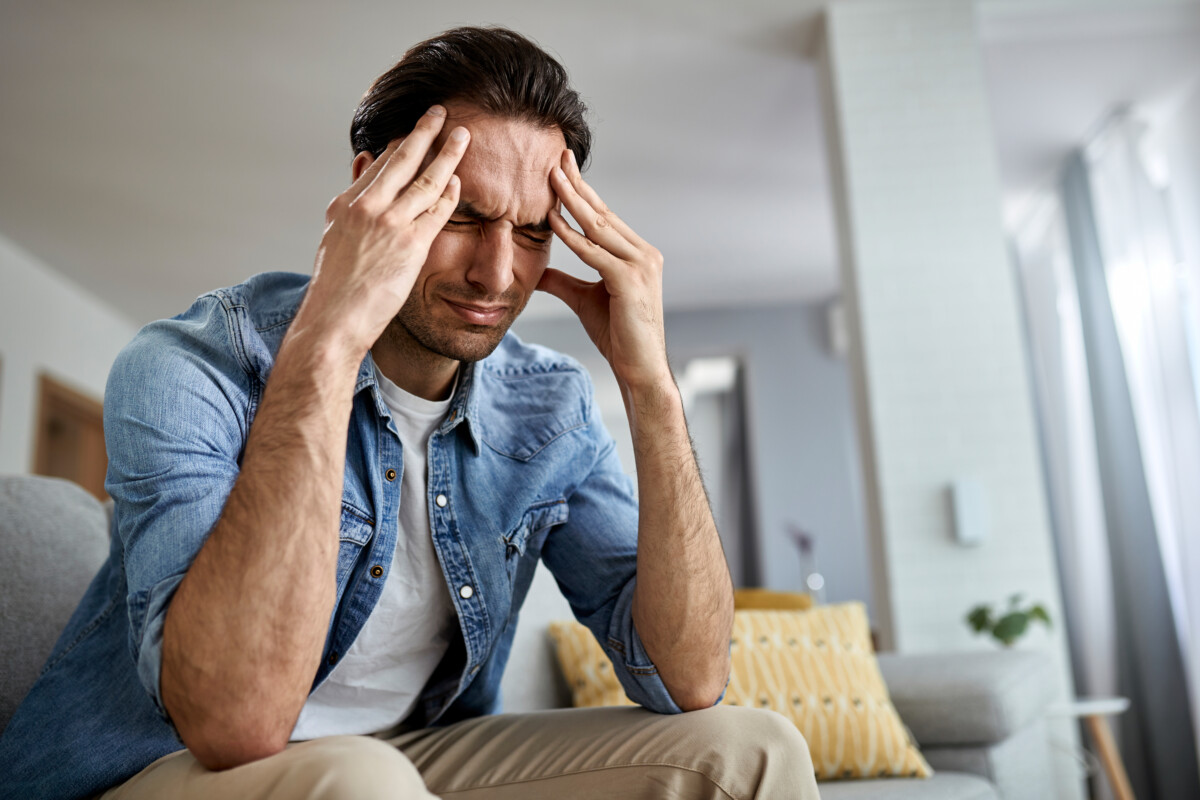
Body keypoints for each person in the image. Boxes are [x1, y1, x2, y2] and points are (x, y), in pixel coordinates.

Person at [0, 26, 818, 800]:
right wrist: (327, 343)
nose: (498, 275)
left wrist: (651, 389)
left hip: (409, 758)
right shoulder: (191, 364)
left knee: (752, 749)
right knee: (362, 781)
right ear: (369, 191)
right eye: (462, 216)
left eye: (533, 233)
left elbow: (686, 679)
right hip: (165, 766)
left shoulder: (550, 407)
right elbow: (233, 722)